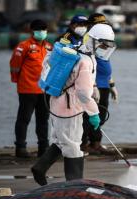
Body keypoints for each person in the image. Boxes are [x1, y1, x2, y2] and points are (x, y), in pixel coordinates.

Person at [31, 24, 117, 186]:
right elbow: (83, 94)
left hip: (57, 102)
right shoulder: (87, 61)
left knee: (60, 140)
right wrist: (93, 113)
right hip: (70, 108)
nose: (105, 48)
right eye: (103, 44)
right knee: (73, 145)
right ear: (93, 41)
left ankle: (40, 168)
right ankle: (75, 185)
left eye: (107, 45)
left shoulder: (76, 50)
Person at [10, 19, 52, 158]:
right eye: (39, 29)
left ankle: (43, 148)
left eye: (44, 29)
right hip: (27, 90)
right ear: (32, 31)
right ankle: (20, 148)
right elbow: (14, 65)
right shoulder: (23, 47)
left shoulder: (49, 47)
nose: (42, 32)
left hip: (44, 90)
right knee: (24, 119)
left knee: (43, 120)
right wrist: (18, 81)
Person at [80, 13, 119, 153]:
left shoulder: (105, 37)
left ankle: (96, 143)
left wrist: (112, 84)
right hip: (92, 84)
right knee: (87, 115)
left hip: (104, 84)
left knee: (101, 115)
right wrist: (93, 86)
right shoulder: (89, 38)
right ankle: (82, 144)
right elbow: (88, 64)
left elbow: (105, 61)